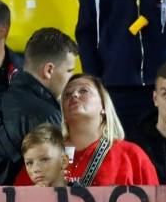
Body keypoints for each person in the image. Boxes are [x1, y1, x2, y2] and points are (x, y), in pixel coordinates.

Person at [13, 73, 158, 186]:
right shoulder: (43, 152)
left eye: (84, 91)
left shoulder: (132, 156)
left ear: (103, 106)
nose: (74, 95)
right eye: (67, 95)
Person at [0, 27, 79, 181]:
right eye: (69, 71)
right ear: (49, 70)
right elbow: (57, 181)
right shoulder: (49, 116)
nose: (72, 80)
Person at [19, 123, 70, 187]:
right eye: (29, 163)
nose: (36, 169)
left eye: (44, 159)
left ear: (63, 161)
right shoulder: (23, 195)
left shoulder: (83, 195)